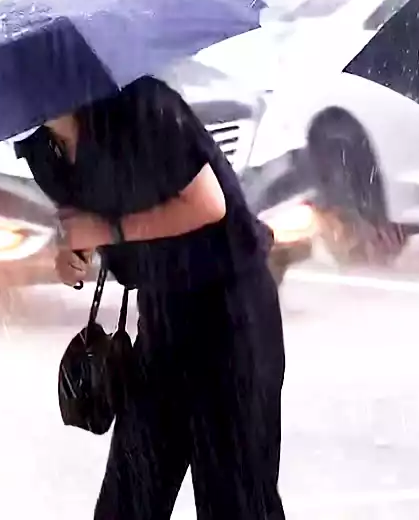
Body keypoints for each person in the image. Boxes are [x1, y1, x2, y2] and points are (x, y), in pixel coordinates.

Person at [16, 75, 286, 520]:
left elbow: (207, 204)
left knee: (235, 499)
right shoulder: (42, 149)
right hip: (163, 313)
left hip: (231, 310)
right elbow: (86, 219)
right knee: (131, 497)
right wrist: (75, 254)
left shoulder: (144, 107)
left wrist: (106, 231)